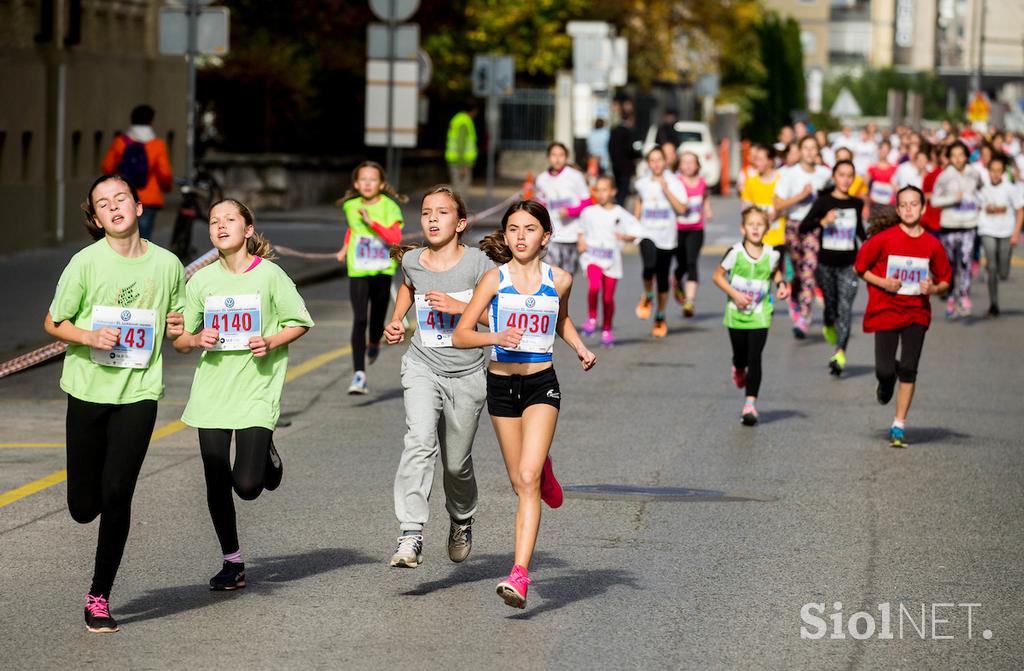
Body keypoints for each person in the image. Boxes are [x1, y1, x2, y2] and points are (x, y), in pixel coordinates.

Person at [43, 174, 186, 633]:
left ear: (139, 207)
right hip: (87, 390)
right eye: (103, 204)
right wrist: (87, 336)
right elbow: (52, 320)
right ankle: (93, 506)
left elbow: (180, 334)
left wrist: (185, 328)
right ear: (97, 217)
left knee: (118, 493)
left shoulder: (167, 265)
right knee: (84, 506)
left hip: (139, 393)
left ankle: (99, 596)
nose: (114, 206)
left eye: (121, 198)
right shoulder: (85, 263)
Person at [453, 200, 596, 609]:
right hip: (501, 387)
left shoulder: (561, 279)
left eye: (529, 229)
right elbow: (463, 333)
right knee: (521, 480)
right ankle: (543, 469)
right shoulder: (494, 281)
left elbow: (560, 319)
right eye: (513, 228)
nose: (520, 236)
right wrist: (494, 338)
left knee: (527, 479)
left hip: (541, 385)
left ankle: (519, 574)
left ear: (545, 237)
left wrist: (580, 348)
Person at [174, 199, 313, 591]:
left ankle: (265, 454)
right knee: (216, 479)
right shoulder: (200, 281)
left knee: (248, 486)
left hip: (256, 389)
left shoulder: (270, 276)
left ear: (248, 229)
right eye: (214, 221)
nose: (220, 226)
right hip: (212, 392)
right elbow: (182, 341)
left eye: (230, 220)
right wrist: (196, 337)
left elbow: (300, 321)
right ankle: (231, 562)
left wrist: (271, 340)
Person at [381, 186, 493, 568]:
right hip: (422, 365)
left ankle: (462, 517)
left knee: (456, 464)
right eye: (426, 211)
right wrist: (396, 320)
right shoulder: (412, 260)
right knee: (419, 441)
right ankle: (410, 533)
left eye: (442, 212)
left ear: (460, 223)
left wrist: (461, 306)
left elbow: (498, 321)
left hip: (468, 373)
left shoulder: (480, 264)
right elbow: (408, 289)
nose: (431, 218)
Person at [854, 187, 951, 448]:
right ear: (898, 210)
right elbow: (860, 267)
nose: (909, 209)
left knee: (909, 368)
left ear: (923, 208)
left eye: (914, 204)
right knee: (884, 370)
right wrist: (883, 283)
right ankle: (886, 381)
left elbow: (945, 280)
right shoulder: (884, 239)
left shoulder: (932, 244)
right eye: (904, 205)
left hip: (916, 313)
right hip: (885, 310)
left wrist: (932, 288)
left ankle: (899, 424)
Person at [711, 207, 790, 425]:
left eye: (760, 224)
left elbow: (775, 272)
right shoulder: (734, 252)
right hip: (736, 314)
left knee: (755, 358)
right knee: (741, 356)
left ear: (767, 229)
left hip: (760, 313)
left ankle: (750, 404)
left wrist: (782, 285)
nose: (755, 228)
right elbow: (717, 276)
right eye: (751, 224)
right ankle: (737, 367)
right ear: (742, 228)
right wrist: (735, 294)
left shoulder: (772, 253)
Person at [335, 161, 405, 394]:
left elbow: (394, 237)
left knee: (376, 320)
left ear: (382, 184)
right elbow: (352, 229)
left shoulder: (390, 207)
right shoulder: (350, 206)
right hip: (358, 269)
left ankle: (374, 341)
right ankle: (359, 375)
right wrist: (345, 247)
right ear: (356, 184)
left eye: (372, 179)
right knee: (360, 319)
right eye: (362, 179)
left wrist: (371, 222)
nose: (367, 183)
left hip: (382, 270)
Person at [798, 160, 867, 376]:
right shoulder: (824, 202)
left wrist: (872, 250)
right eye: (842, 175)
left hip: (849, 265)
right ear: (834, 177)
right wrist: (823, 221)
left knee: (845, 308)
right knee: (831, 307)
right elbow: (803, 227)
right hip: (826, 264)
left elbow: (860, 233)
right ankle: (828, 322)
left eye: (850, 175)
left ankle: (840, 353)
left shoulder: (856, 203)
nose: (846, 179)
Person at [773, 135, 831, 338]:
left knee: (809, 270)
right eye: (805, 148)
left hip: (813, 227)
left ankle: (804, 317)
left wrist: (827, 214)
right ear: (799, 151)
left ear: (817, 151)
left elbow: (831, 198)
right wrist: (800, 197)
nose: (808, 151)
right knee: (797, 273)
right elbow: (777, 204)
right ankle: (795, 300)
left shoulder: (824, 174)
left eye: (812, 148)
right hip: (793, 225)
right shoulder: (790, 174)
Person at [577, 175, 639, 347]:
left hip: (612, 261)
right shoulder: (588, 212)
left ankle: (607, 329)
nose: (601, 193)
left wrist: (626, 236)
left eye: (605, 189)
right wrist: (581, 241)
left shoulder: (619, 213)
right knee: (594, 286)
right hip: (592, 258)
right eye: (598, 189)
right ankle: (592, 317)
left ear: (613, 192)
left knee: (608, 298)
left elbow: (635, 230)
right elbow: (580, 229)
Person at [633, 147, 688, 337]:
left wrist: (666, 191)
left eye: (659, 160)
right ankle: (648, 296)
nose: (656, 163)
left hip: (667, 237)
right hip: (647, 233)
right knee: (649, 267)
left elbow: (682, 208)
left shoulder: (675, 182)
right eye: (652, 160)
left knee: (663, 279)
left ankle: (660, 315)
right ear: (648, 163)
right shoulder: (642, 183)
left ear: (665, 161)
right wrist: (634, 224)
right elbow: (639, 202)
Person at [100, 104, 173, 240]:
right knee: (143, 239)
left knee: (123, 236)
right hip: (149, 199)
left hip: (124, 196)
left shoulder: (121, 142)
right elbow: (165, 173)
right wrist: (167, 188)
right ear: (151, 122)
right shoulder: (157, 145)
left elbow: (107, 166)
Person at [930, 141, 981, 318]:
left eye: (961, 155)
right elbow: (935, 200)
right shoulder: (944, 177)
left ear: (967, 156)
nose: (958, 159)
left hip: (969, 224)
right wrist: (952, 198)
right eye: (954, 155)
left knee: (966, 261)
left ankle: (964, 295)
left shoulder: (975, 174)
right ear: (949, 158)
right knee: (950, 265)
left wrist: (981, 204)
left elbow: (982, 192)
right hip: (950, 225)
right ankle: (951, 297)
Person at [533, 142, 592, 274]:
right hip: (552, 235)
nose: (557, 159)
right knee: (551, 274)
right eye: (554, 155)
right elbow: (540, 203)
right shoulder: (541, 179)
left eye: (561, 155)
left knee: (566, 276)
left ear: (566, 157)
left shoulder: (575, 176)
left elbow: (587, 202)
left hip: (572, 235)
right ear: (548, 157)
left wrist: (570, 211)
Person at [977, 156, 1024, 317]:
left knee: (1003, 273)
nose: (995, 174)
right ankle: (993, 304)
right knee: (991, 266)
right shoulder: (982, 189)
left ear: (1003, 172)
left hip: (1006, 231)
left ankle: (1002, 270)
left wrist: (1016, 233)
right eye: (992, 171)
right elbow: (976, 207)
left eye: (999, 171)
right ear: (988, 171)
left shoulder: (1010, 188)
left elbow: (1020, 211)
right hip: (987, 229)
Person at [673, 152, 711, 318]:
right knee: (681, 263)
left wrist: (708, 209)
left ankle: (689, 301)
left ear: (697, 166)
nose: (688, 166)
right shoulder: (676, 183)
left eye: (691, 162)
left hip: (696, 228)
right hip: (678, 228)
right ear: (679, 165)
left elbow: (705, 198)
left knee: (692, 261)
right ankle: (676, 280)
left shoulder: (702, 183)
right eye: (684, 162)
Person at [741, 144, 782, 246]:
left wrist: (777, 212)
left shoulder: (781, 180)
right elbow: (745, 209)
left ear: (770, 161)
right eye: (755, 159)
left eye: (760, 159)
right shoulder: (751, 182)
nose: (756, 163)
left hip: (779, 239)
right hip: (758, 240)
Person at [609, 102, 640, 206]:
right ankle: (619, 207)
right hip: (625, 166)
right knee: (623, 191)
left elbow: (610, 148)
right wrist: (638, 156)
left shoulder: (614, 131)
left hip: (615, 166)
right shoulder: (627, 132)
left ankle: (617, 205)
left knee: (618, 188)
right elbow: (630, 149)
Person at [445, 104, 479, 194]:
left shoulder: (457, 119)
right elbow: (461, 145)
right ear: (473, 111)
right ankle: (458, 208)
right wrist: (462, 166)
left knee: (457, 188)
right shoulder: (464, 122)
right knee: (461, 190)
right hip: (461, 161)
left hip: (455, 160)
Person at [866, 140, 898, 215]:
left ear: (889, 151)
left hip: (889, 203)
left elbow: (895, 186)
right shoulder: (872, 167)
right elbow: (865, 186)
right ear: (879, 150)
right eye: (882, 149)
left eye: (886, 150)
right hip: (875, 202)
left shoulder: (894, 168)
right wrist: (866, 204)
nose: (884, 152)